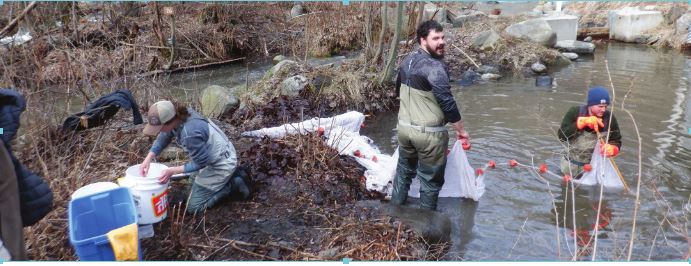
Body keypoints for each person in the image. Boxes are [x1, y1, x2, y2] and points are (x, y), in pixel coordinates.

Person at [390, 20, 471, 211]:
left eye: (442, 37)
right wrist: (462, 131)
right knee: (430, 182)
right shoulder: (434, 67)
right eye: (435, 38)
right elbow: (448, 102)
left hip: (404, 130)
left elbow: (398, 91)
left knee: (404, 173)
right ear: (423, 40)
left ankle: (393, 215)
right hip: (428, 136)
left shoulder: (406, 61)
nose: (441, 42)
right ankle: (425, 228)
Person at [140, 100, 251, 214]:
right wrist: (148, 158)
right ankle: (234, 174)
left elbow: (201, 162)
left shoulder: (189, 134)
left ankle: (233, 186)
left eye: (159, 127)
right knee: (191, 185)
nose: (158, 131)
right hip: (220, 152)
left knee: (194, 207)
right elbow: (164, 135)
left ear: (170, 121)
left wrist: (172, 171)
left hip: (220, 164)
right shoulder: (180, 114)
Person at [558, 86, 622, 178]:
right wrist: (581, 123)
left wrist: (613, 149)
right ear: (590, 105)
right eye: (600, 106)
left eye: (605, 106)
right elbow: (561, 137)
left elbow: (616, 140)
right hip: (571, 166)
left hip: (596, 168)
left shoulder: (609, 118)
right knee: (568, 189)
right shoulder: (574, 112)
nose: (603, 110)